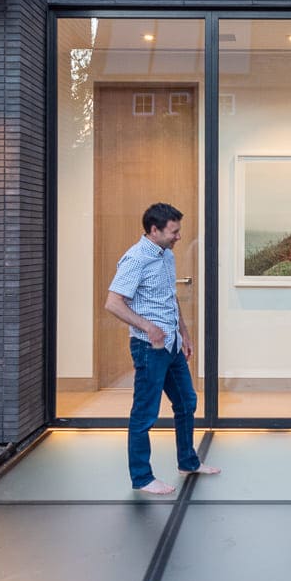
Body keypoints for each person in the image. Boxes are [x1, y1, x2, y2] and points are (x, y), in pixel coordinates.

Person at [105, 202, 220, 494]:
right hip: (149, 347)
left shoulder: (166, 255)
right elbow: (113, 302)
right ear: (154, 230)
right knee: (145, 413)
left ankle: (188, 462)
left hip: (171, 345)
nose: (179, 237)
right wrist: (148, 327)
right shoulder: (135, 259)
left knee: (186, 402)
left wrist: (185, 333)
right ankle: (142, 478)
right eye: (174, 231)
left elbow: (170, 297)